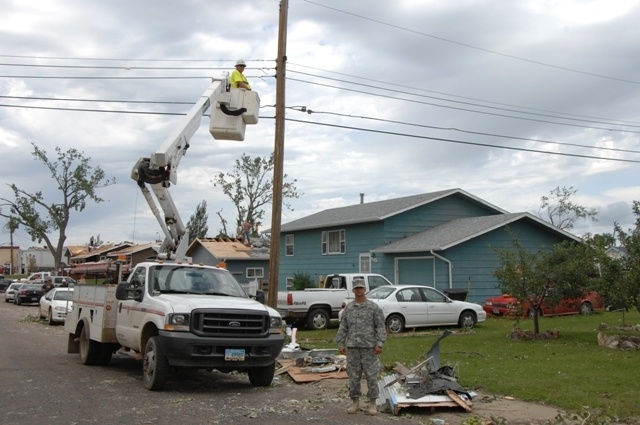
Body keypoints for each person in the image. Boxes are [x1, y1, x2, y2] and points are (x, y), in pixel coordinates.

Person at [334, 278, 387, 415]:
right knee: (353, 376)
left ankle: (372, 404)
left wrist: (379, 343)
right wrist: (340, 342)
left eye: (361, 288)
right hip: (353, 348)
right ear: (353, 290)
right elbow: (343, 327)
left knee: (372, 376)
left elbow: (380, 326)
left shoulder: (373, 307)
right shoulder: (349, 308)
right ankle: (355, 403)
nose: (359, 290)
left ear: (365, 289)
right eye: (356, 288)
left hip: (369, 348)